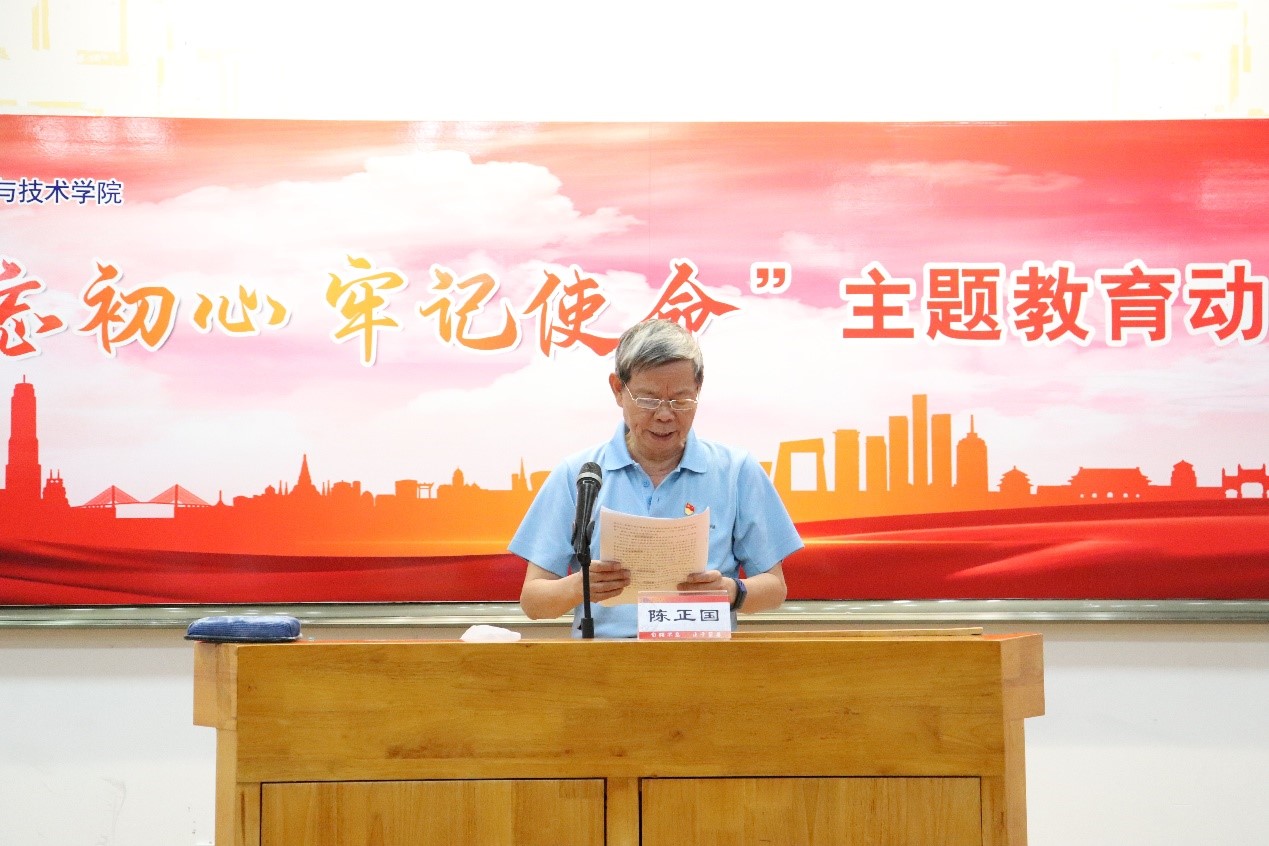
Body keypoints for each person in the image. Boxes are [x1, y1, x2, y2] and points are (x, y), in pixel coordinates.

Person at [510, 318, 803, 637]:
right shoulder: (580, 475)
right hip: (605, 660)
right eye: (648, 399)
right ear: (618, 390)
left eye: (681, 400)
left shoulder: (736, 471)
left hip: (702, 657)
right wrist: (580, 586)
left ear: (698, 390)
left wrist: (731, 591)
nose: (664, 415)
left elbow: (775, 588)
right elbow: (534, 602)